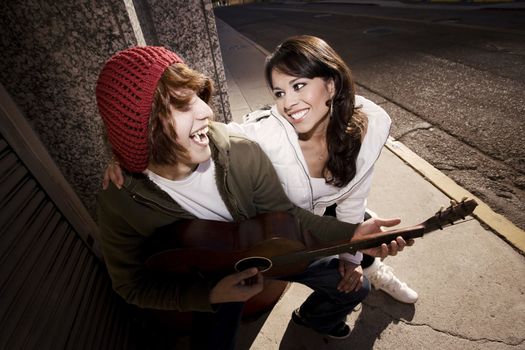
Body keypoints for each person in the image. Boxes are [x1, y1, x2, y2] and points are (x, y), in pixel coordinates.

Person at [96, 46, 409, 349]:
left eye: (198, 98)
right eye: (182, 105)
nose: (207, 111)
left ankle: (314, 319)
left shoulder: (240, 151)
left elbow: (288, 215)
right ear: (144, 128)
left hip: (271, 252)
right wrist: (209, 295)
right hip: (212, 285)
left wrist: (352, 234)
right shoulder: (122, 202)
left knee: (355, 289)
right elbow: (131, 285)